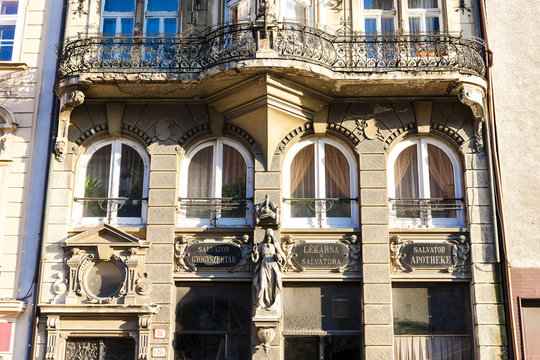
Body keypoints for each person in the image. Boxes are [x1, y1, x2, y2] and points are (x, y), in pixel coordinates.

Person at [251, 228, 284, 310]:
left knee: (273, 285)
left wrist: (278, 257)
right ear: (265, 237)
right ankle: (261, 303)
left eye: (270, 237)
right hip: (264, 264)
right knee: (262, 285)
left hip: (273, 265)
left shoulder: (275, 245)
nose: (268, 238)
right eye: (267, 237)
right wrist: (255, 252)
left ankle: (273, 304)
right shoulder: (261, 245)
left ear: (272, 238)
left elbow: (281, 257)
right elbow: (257, 257)